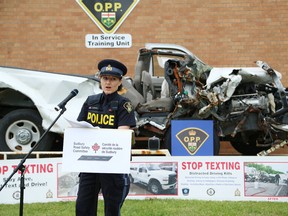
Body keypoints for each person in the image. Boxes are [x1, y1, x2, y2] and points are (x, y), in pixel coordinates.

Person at [76, 59, 136, 216]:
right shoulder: (90, 102)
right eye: (105, 78)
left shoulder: (124, 104)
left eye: (113, 79)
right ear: (100, 79)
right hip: (90, 163)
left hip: (113, 164)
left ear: (119, 82)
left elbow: (123, 134)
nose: (108, 82)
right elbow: (79, 128)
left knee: (112, 209)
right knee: (83, 206)